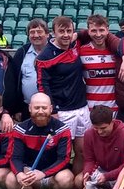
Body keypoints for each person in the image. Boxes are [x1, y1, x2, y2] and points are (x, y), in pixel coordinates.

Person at [4, 92, 74, 189]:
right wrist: (19, 174)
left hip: (53, 174)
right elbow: (15, 157)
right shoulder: (20, 129)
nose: (40, 111)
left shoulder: (62, 129)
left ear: (51, 109)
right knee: (11, 180)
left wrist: (43, 173)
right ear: (30, 108)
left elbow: (64, 159)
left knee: (66, 179)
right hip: (30, 173)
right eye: (36, 108)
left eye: (44, 108)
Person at [36, 16, 91, 160]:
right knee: (61, 154)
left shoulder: (74, 44)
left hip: (82, 107)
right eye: (61, 31)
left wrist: (76, 35)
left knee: (82, 152)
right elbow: (42, 86)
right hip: (62, 112)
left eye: (69, 31)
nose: (66, 35)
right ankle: (60, 181)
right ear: (53, 33)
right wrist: (52, 111)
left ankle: (79, 182)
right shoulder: (45, 57)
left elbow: (91, 31)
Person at [76, 13, 124, 112]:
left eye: (101, 30)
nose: (98, 35)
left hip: (115, 109)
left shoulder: (117, 51)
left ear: (108, 30)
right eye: (94, 30)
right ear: (88, 31)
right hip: (91, 109)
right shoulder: (81, 52)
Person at [3, 18, 50, 120]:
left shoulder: (55, 51)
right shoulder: (22, 52)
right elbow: (14, 82)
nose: (36, 35)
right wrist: (16, 109)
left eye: (39, 32)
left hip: (52, 109)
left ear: (47, 34)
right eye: (32, 32)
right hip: (27, 108)